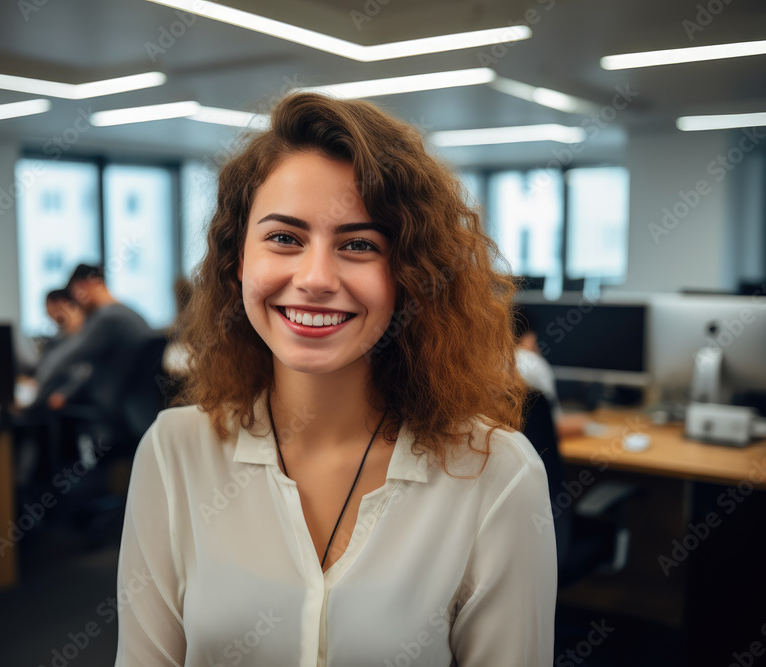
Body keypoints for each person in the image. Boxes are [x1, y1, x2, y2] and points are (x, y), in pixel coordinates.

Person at [115, 93, 556, 666]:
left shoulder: (496, 475)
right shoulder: (174, 454)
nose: (316, 278)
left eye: (358, 245)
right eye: (284, 238)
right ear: (238, 261)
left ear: (408, 274)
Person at [33, 264, 155, 415]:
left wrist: (36, 397)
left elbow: (66, 357)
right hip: (137, 403)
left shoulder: (106, 318)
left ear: (85, 285)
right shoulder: (131, 314)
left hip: (114, 408)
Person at [513, 305, 588, 438]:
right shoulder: (533, 363)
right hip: (538, 452)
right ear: (530, 336)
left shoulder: (488, 365)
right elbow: (556, 427)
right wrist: (587, 423)